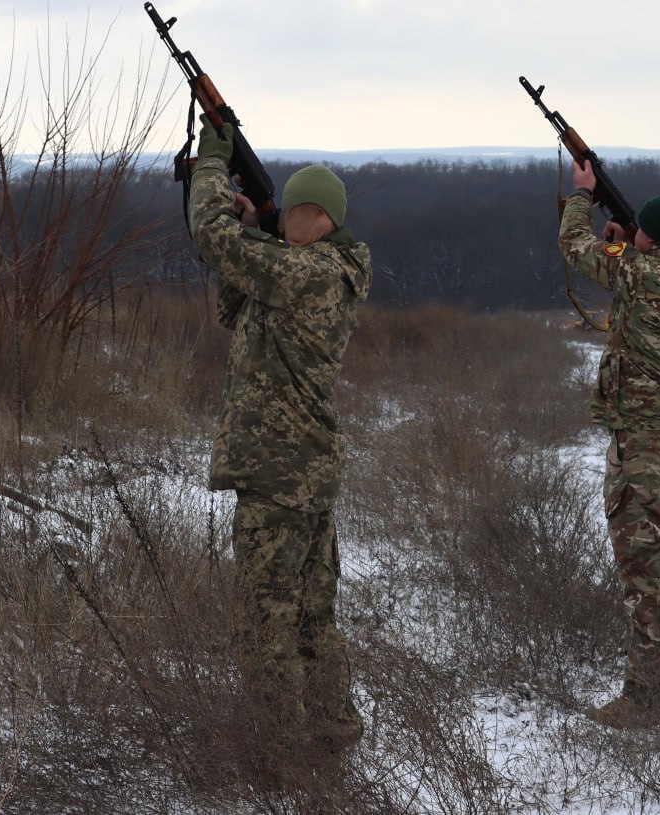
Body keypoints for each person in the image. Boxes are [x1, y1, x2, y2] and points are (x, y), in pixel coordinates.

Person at [188, 117, 372, 761]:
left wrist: (213, 164)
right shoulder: (313, 268)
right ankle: (331, 737)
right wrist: (259, 229)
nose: (289, 220)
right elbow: (234, 305)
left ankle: (284, 755)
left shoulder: (310, 273)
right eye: (286, 211)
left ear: (321, 218)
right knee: (311, 617)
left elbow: (210, 237)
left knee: (266, 618)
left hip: (279, 474)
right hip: (304, 471)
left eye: (297, 212)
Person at [558, 160, 660, 728]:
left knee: (647, 577)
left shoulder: (639, 270)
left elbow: (574, 245)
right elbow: (646, 268)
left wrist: (582, 195)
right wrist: (631, 243)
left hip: (645, 450)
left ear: (653, 236)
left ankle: (644, 700)